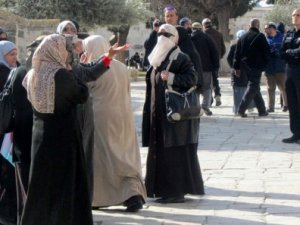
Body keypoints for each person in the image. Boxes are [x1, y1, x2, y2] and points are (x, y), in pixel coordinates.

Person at [20, 34, 92, 225]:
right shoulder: (61, 74)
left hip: (39, 136)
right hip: (62, 136)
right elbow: (81, 94)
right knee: (64, 184)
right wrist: (72, 70)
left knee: (40, 184)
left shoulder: (32, 73)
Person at [81, 35, 147, 212]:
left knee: (103, 158)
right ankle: (133, 195)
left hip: (100, 118)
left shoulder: (94, 68)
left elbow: (82, 91)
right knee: (124, 156)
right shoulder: (121, 67)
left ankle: (100, 197)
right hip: (124, 115)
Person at [142, 24, 205, 204]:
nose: (162, 37)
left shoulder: (181, 57)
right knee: (160, 152)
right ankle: (161, 190)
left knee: (174, 154)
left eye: (166, 34)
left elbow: (192, 79)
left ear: (175, 38)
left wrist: (170, 77)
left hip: (175, 117)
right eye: (159, 33)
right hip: (158, 115)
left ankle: (176, 192)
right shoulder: (156, 60)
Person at [233, 18, 270, 118]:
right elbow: (267, 52)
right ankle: (241, 109)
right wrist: (265, 65)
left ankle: (262, 110)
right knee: (253, 86)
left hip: (244, 66)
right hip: (256, 66)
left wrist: (236, 68)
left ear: (250, 26)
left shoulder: (242, 37)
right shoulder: (260, 36)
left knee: (255, 87)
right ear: (258, 26)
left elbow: (237, 54)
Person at [0, 40, 18, 225]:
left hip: (8, 132)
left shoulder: (15, 72)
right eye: (11, 54)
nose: (15, 57)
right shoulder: (5, 73)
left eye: (15, 53)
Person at [191, 22, 219, 116]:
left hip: (193, 68)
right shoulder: (207, 38)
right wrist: (216, 66)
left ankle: (196, 107)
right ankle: (205, 106)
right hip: (206, 67)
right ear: (200, 28)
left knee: (195, 87)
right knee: (207, 88)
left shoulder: (190, 38)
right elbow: (215, 53)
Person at [280, 8, 300, 144]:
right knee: (292, 103)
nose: (295, 17)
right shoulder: (289, 34)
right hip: (290, 71)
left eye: (298, 15)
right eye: (293, 15)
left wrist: (290, 52)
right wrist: (292, 53)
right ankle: (296, 133)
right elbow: (281, 52)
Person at [227, 30, 255, 115]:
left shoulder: (234, 47)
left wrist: (233, 67)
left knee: (238, 91)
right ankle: (249, 107)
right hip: (247, 71)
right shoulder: (250, 47)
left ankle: (237, 109)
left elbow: (229, 59)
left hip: (237, 72)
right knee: (248, 89)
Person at [264, 22, 288, 112]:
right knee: (270, 88)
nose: (265, 30)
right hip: (269, 68)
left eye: (267, 28)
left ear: (273, 28)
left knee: (283, 88)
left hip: (280, 67)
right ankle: (271, 107)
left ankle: (286, 105)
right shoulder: (265, 39)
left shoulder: (282, 38)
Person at [202, 18, 226, 106]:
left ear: (204, 25)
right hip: (216, 61)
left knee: (207, 81)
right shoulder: (218, 34)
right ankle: (218, 96)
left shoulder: (203, 34)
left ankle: (210, 100)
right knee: (215, 79)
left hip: (205, 61)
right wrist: (219, 57)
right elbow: (223, 48)